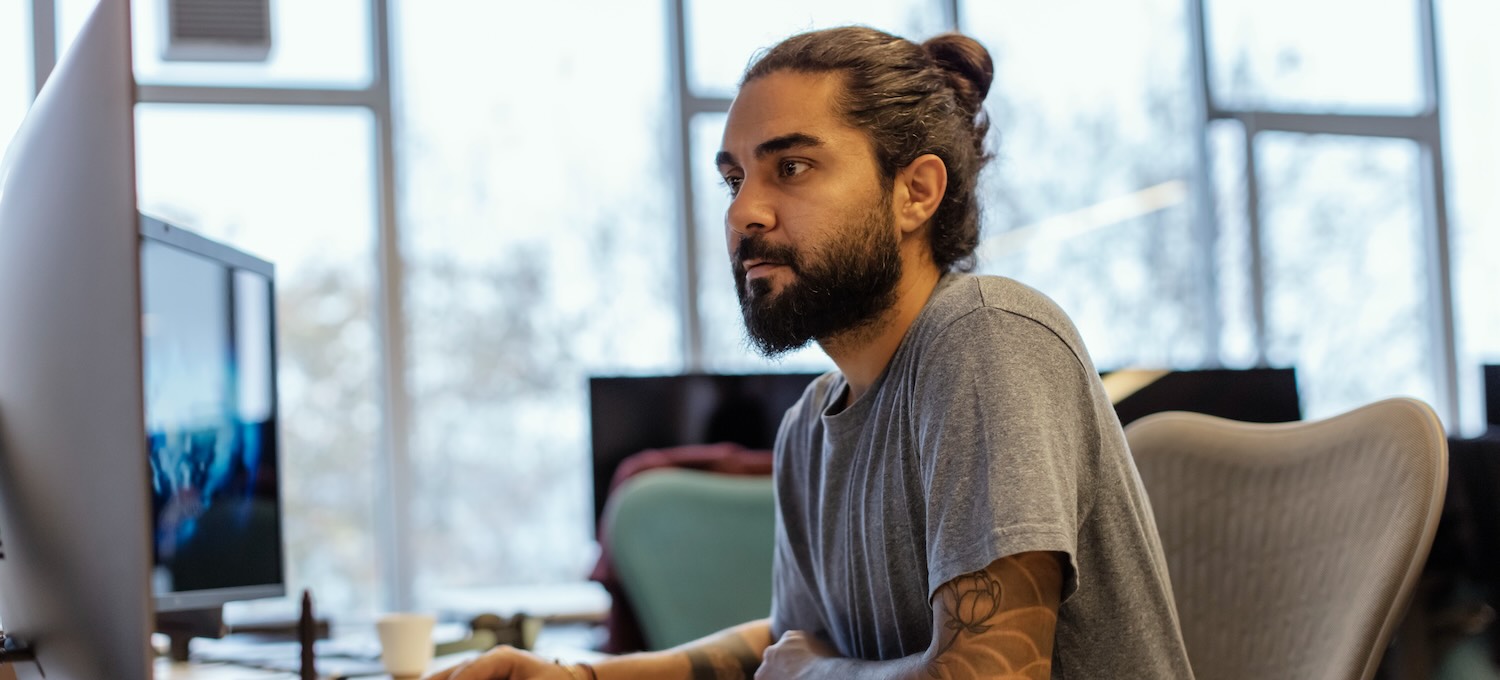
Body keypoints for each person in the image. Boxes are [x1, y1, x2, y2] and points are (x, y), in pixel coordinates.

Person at [429, 25, 1194, 680]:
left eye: (790, 167)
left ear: (915, 192)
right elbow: (783, 647)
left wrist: (813, 672)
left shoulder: (985, 338)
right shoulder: (809, 427)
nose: (743, 213)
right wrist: (578, 674)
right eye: (734, 177)